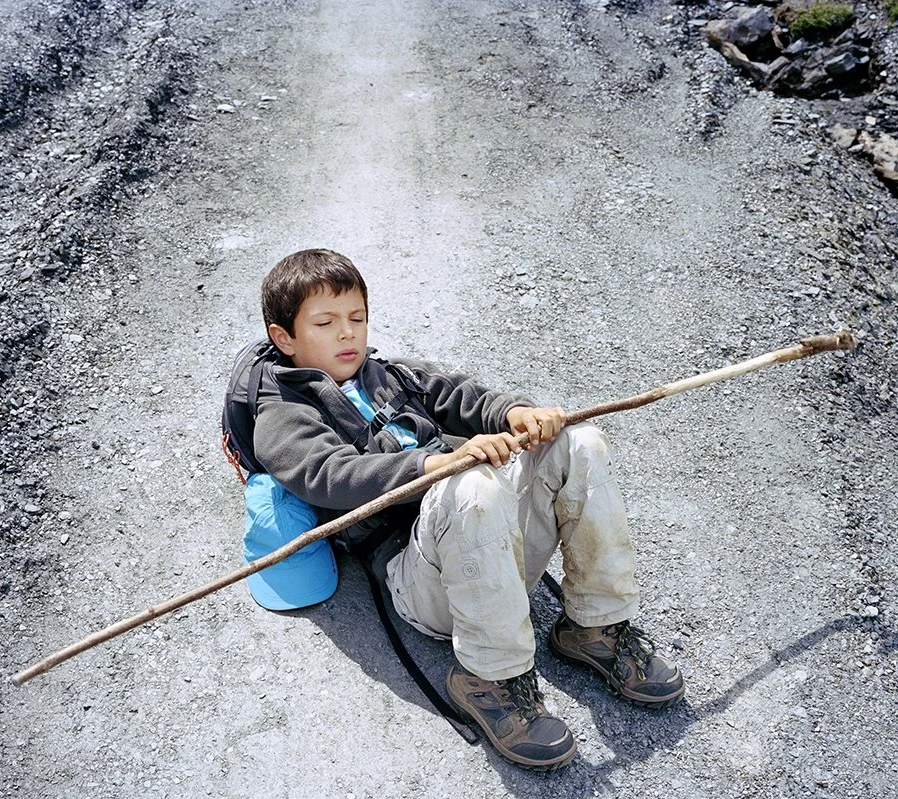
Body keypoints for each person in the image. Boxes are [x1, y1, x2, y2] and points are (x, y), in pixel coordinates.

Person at [250, 248, 683, 769]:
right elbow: (328, 476)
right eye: (325, 322)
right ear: (285, 338)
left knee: (578, 441)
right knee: (472, 483)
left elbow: (459, 394)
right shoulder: (281, 415)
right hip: (421, 581)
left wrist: (516, 413)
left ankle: (596, 626)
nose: (347, 334)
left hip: (489, 545)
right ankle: (489, 677)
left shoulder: (385, 374)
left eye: (357, 318)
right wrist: (431, 465)